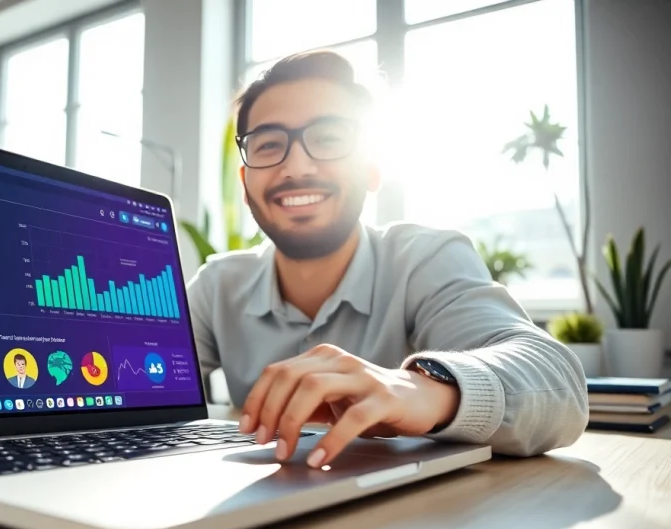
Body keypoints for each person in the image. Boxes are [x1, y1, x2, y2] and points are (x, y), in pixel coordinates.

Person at [186, 49, 588, 469]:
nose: (296, 166)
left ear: (372, 167)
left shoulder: (425, 259)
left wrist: (425, 391)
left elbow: (560, 386)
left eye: (328, 138)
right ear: (245, 181)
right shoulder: (217, 286)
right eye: (268, 145)